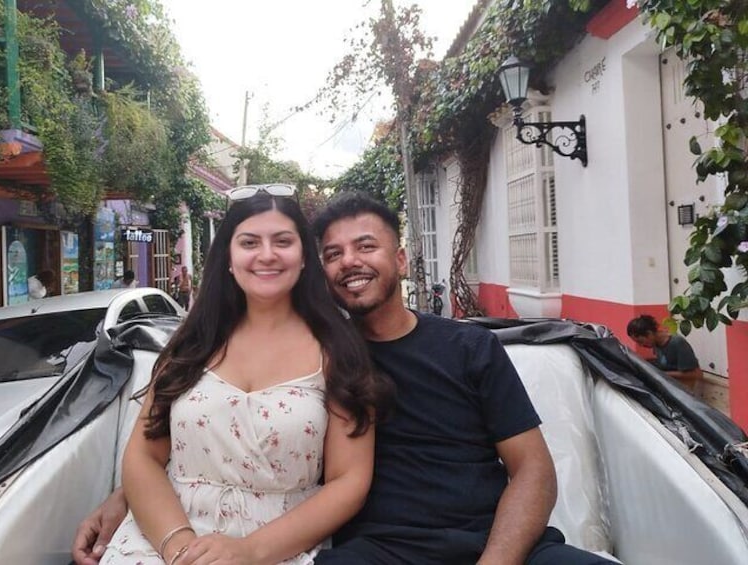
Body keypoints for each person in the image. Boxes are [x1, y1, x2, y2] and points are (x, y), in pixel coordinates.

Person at [74, 192, 611, 565]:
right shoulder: (332, 352)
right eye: (334, 253)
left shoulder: (456, 348)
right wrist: (129, 495)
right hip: (376, 551)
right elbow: (195, 438)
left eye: (366, 247)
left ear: (400, 257)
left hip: (500, 544)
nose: (350, 262)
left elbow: (533, 470)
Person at [93, 187, 389, 565]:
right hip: (161, 539)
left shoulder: (338, 351)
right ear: (229, 259)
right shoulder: (192, 344)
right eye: (250, 242)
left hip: (279, 546)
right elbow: (143, 456)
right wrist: (180, 549)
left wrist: (249, 552)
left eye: (282, 241)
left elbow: (349, 481)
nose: (267, 254)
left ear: (303, 259)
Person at [627, 314, 703, 392]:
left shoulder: (677, 343)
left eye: (641, 341)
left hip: (682, 392)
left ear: (649, 333)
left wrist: (662, 374)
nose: (641, 345)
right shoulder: (656, 344)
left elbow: (697, 374)